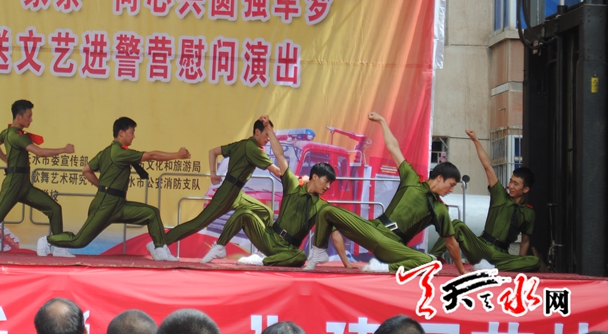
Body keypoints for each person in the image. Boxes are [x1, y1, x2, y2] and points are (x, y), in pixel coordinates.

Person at [307, 112, 466, 274]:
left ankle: (384, 268)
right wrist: (382, 121)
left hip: (393, 246)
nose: (451, 190)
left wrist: (461, 271)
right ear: (439, 178)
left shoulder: (439, 209)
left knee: (430, 261)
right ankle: (318, 252)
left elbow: (451, 242)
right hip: (373, 230)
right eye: (451, 185)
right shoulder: (411, 179)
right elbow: (393, 148)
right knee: (326, 210)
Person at [39, 117, 189, 261]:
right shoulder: (118, 153)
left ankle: (159, 248)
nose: (134, 136)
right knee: (79, 241)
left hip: (118, 205)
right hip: (105, 206)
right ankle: (47, 240)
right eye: (132, 132)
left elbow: (86, 170)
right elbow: (151, 155)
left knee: (152, 213)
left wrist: (102, 188)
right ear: (121, 133)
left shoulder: (107, 152)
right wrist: (178, 155)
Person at [202, 120, 348, 266]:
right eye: (326, 181)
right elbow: (280, 156)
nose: (328, 186)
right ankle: (220, 247)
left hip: (288, 249)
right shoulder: (293, 184)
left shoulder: (322, 206)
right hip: (270, 237)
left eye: (331, 183)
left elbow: (335, 235)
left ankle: (263, 260)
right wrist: (270, 131)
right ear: (314, 177)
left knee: (300, 256)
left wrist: (346, 263)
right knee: (244, 213)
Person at [0, 100, 74, 254]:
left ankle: (59, 247)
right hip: (13, 184)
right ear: (19, 117)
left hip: (24, 185)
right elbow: (40, 152)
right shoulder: (16, 136)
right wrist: (64, 150)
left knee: (54, 209)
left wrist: (7, 160)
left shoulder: (7, 133)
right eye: (29, 116)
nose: (31, 119)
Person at [429, 130, 541, 271]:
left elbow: (525, 242)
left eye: (516, 184)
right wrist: (476, 140)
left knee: (534, 261)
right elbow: (487, 166)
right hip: (482, 247)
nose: (511, 186)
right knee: (457, 225)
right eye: (511, 181)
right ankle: (430, 259)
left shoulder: (529, 212)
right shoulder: (500, 194)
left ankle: (489, 267)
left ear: (526, 189)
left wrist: (520, 262)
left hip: (501, 255)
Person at [165, 116, 278, 252]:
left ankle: (264, 252)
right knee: (198, 223)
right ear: (257, 132)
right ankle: (160, 243)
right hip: (227, 193)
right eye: (267, 134)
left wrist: (213, 173)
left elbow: (213, 152)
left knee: (266, 212)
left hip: (236, 194)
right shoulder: (252, 148)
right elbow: (277, 171)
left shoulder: (242, 144)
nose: (268, 138)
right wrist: (296, 178)